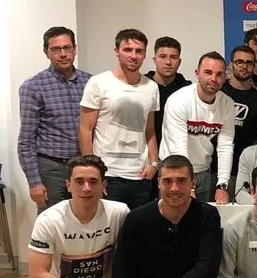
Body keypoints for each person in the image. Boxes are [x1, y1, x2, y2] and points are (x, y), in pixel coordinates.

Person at [111, 155, 221, 278]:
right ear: (158, 183)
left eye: (181, 181)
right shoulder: (137, 219)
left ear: (193, 183)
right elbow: (122, 274)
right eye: (168, 181)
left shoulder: (207, 215)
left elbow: (208, 268)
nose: (174, 188)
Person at [78, 28, 159, 209]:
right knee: (109, 225)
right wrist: (92, 173)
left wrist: (154, 163)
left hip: (140, 175)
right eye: (127, 50)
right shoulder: (99, 83)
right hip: (109, 174)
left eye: (139, 51)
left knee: (139, 225)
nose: (133, 56)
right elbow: (85, 129)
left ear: (145, 54)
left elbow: (149, 130)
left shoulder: (151, 87)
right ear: (117, 51)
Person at [18, 26, 91, 212]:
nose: (63, 54)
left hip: (83, 166)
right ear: (46, 52)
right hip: (52, 169)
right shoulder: (33, 87)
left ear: (75, 49)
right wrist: (34, 182)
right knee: (53, 221)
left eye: (67, 48)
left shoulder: (90, 83)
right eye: (56, 49)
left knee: (87, 218)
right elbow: (26, 140)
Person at [160, 51, 236, 204]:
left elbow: (225, 145)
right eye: (208, 72)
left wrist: (222, 184)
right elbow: (178, 148)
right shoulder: (179, 100)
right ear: (197, 73)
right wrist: (187, 185)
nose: (213, 79)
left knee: (200, 217)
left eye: (219, 74)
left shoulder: (227, 104)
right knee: (174, 215)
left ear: (225, 77)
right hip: (173, 170)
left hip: (203, 170)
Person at [145, 36, 192, 201]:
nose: (168, 62)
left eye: (173, 57)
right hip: (146, 160)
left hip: (177, 159)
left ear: (179, 62)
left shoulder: (188, 89)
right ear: (154, 59)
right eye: (163, 56)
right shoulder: (142, 86)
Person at [222, 45, 257, 193]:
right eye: (239, 62)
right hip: (212, 169)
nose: (244, 66)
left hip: (243, 172)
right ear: (231, 64)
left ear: (254, 66)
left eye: (249, 63)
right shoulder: (218, 93)